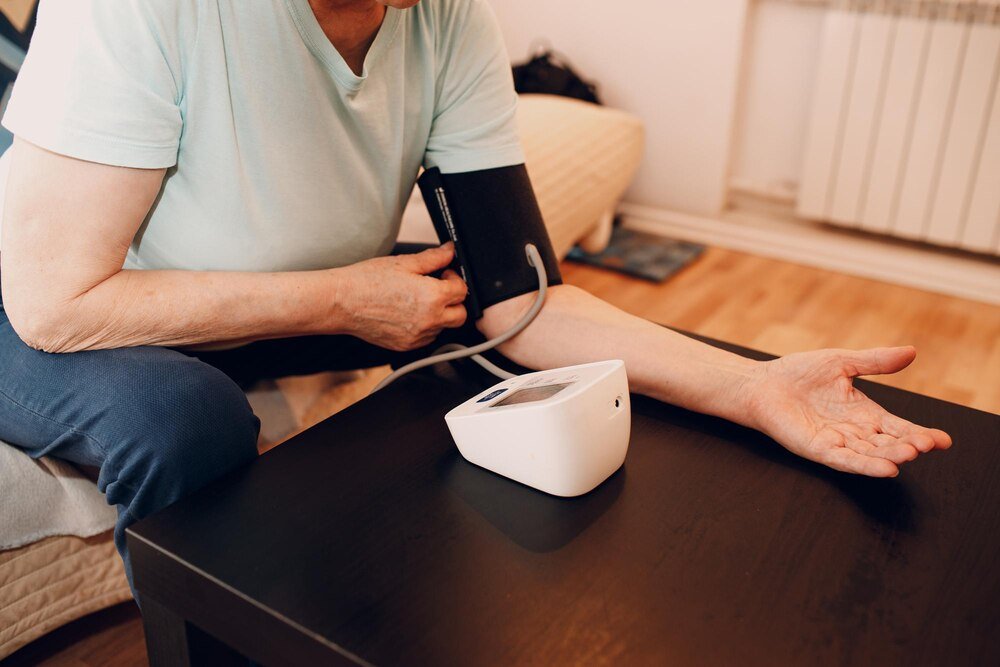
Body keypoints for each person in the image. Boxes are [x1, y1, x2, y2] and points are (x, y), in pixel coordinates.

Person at [0, 0, 951, 593]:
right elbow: (56, 301)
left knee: (451, 309)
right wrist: (337, 301)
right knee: (181, 418)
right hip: (39, 305)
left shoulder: (450, 19)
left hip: (272, 290)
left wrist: (753, 383)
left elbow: (517, 297)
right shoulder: (139, 8)